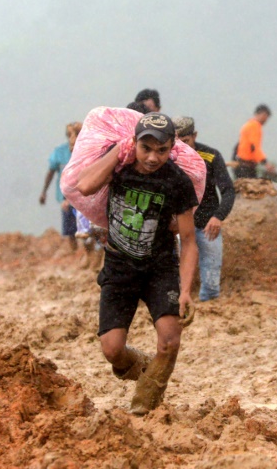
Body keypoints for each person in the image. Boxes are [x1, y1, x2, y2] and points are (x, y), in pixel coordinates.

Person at [74, 112, 198, 415]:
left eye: (162, 150)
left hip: (160, 268)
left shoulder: (177, 181)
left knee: (170, 340)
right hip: (119, 267)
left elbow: (189, 241)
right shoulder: (119, 166)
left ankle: (146, 403)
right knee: (112, 350)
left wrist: (184, 291)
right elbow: (86, 185)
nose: (153, 157)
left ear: (171, 148)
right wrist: (120, 151)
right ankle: (143, 367)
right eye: (146, 148)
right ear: (135, 143)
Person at [174, 116, 235, 302]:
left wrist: (218, 216)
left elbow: (228, 190)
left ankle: (209, 303)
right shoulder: (168, 157)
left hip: (206, 223)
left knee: (211, 269)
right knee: (171, 269)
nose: (182, 146)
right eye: (178, 142)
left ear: (194, 135)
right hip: (176, 225)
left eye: (186, 141)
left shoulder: (211, 156)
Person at [40, 122, 83, 252]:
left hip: (83, 195)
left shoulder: (86, 151)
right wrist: (44, 191)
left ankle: (88, 254)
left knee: (87, 228)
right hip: (66, 197)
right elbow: (51, 172)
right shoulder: (60, 152)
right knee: (70, 229)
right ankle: (75, 254)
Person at [235, 104, 275, 179]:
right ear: (263, 114)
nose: (266, 120)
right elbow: (254, 147)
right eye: (266, 117)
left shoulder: (248, 124)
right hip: (246, 167)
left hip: (242, 165)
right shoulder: (254, 126)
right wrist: (266, 163)